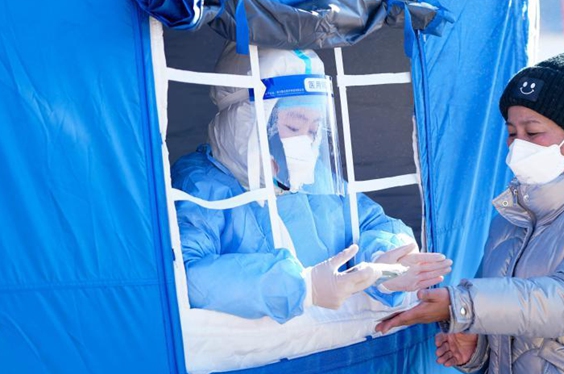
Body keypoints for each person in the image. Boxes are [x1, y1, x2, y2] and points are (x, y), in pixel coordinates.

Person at [376, 50, 564, 374]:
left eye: (533, 133)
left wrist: (460, 305)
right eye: (511, 132)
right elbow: (514, 325)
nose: (518, 144)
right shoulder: (512, 218)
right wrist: (475, 347)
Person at [172, 43, 451, 323]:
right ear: (245, 120)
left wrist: (386, 265)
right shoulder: (201, 183)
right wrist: (303, 287)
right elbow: (188, 275)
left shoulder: (313, 177)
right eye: (293, 126)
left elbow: (369, 221)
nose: (305, 141)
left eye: (314, 129)